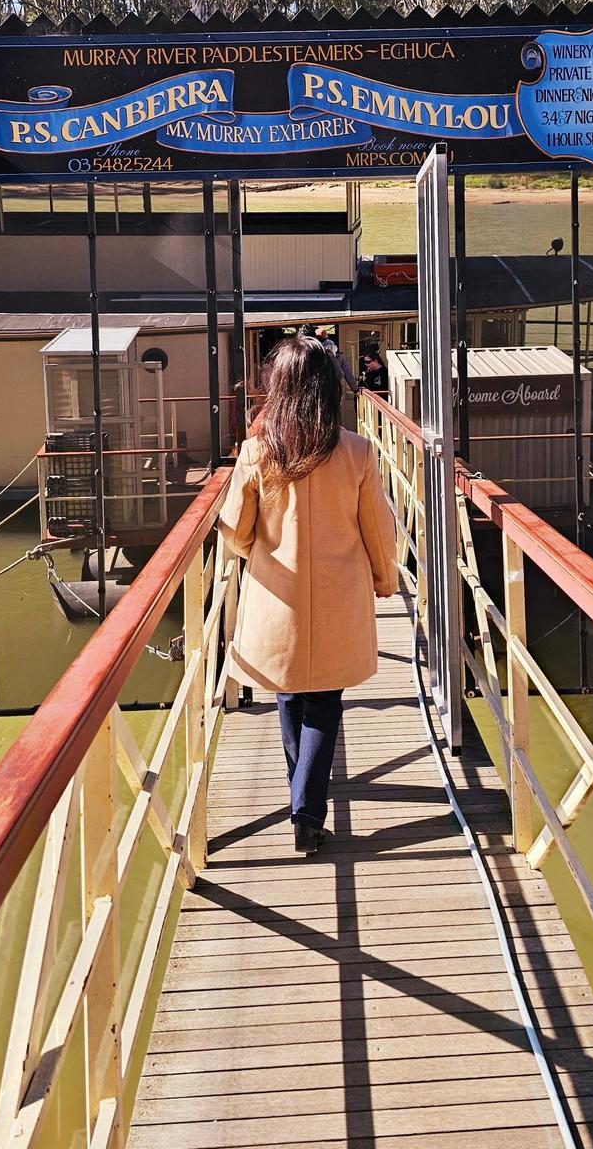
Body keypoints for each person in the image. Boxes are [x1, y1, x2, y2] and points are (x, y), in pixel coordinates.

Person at [219, 334, 398, 856]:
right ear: (325, 390)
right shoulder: (358, 452)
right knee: (325, 702)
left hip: (278, 597)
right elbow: (378, 529)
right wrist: (386, 579)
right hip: (340, 599)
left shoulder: (258, 451)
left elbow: (234, 532)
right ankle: (307, 811)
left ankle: (302, 803)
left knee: (289, 693)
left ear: (280, 388)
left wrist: (258, 541)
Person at [312, 324, 360, 394]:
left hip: (317, 390)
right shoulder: (338, 356)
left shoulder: (313, 353)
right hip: (333, 390)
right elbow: (348, 374)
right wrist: (356, 390)